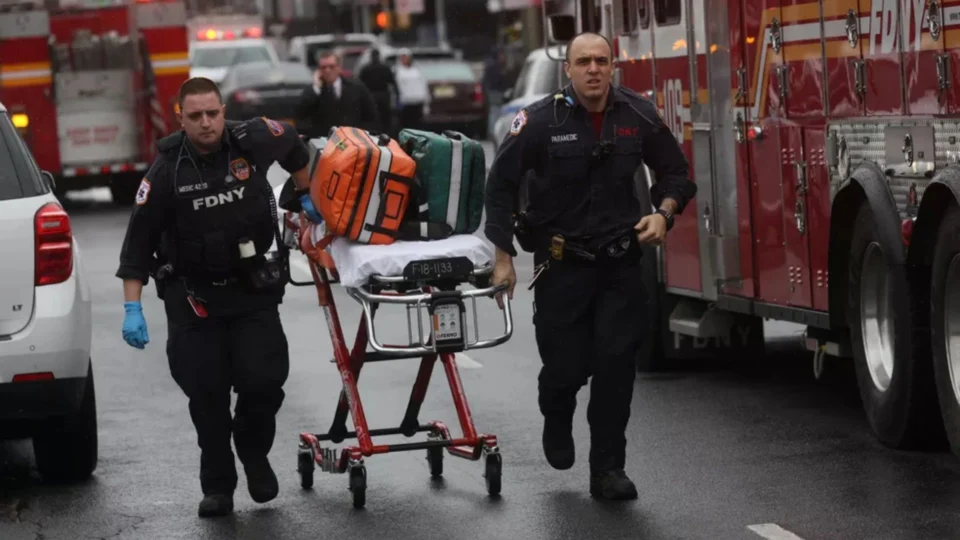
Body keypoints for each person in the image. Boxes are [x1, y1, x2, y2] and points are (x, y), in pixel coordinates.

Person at [483, 32, 697, 501]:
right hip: (562, 268)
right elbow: (500, 186)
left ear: (613, 66)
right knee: (565, 369)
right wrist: (503, 258)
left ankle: (607, 470)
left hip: (620, 266)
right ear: (569, 69)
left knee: (615, 368)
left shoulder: (637, 114)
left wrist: (663, 214)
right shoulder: (539, 121)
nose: (593, 69)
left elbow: (677, 173)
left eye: (601, 60)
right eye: (584, 62)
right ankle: (557, 414)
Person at [116, 77, 323, 518]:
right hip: (194, 299)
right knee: (207, 397)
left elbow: (295, 147)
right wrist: (132, 308)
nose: (206, 123)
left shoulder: (252, 140)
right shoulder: (166, 171)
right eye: (195, 116)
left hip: (251, 290)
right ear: (181, 118)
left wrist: (305, 192)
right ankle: (218, 486)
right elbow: (136, 246)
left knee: (263, 383)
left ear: (223, 111)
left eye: (213, 113)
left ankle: (254, 453)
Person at [295, 50, 380, 139]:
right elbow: (301, 112)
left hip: (352, 140)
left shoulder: (356, 87)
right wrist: (316, 87)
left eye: (331, 67)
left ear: (339, 68)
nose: (327, 70)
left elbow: (371, 115)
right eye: (323, 67)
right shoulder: (315, 90)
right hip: (325, 141)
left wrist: (363, 135)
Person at [358, 48, 399, 134]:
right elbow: (392, 82)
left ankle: (376, 132)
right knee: (385, 118)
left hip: (372, 95)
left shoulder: (366, 69)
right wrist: (397, 94)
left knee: (374, 117)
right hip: (382, 95)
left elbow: (360, 83)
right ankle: (385, 133)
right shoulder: (385, 68)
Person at [393, 48, 430, 133]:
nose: (404, 60)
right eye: (402, 58)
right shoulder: (397, 71)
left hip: (417, 102)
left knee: (418, 126)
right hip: (405, 104)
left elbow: (423, 86)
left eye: (406, 57)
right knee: (406, 126)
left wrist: (426, 102)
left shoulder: (416, 71)